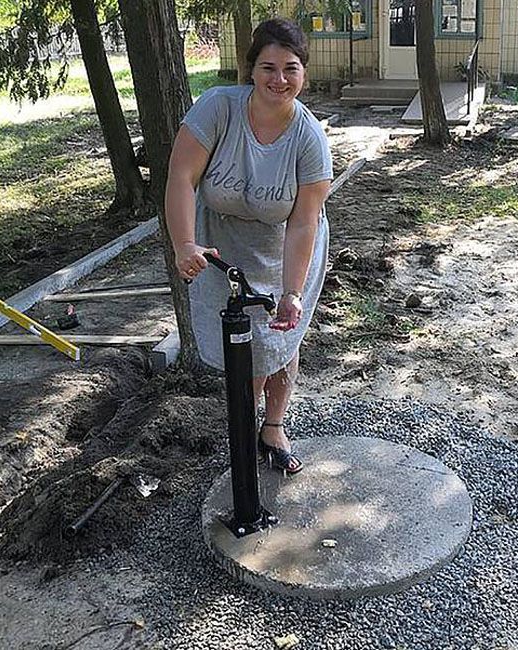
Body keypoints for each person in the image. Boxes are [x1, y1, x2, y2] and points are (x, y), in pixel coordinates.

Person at [165, 18, 332, 474]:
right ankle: (243, 426)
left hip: (286, 246)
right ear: (251, 71)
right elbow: (181, 177)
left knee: (279, 336)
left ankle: (268, 426)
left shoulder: (310, 139)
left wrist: (291, 292)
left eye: (290, 69)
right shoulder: (218, 108)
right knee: (240, 345)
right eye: (268, 68)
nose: (279, 80)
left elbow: (303, 223)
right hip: (219, 245)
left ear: (304, 74)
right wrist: (184, 244)